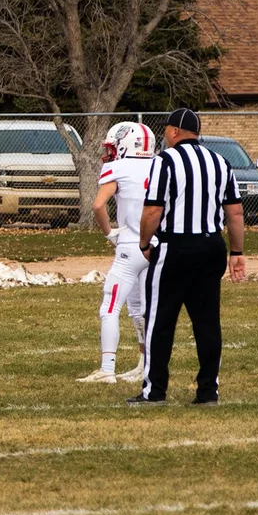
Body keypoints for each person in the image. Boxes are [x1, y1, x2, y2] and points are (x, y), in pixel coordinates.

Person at [131, 107, 246, 407]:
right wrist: (237, 251)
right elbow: (234, 211)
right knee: (207, 322)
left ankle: (154, 391)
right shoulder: (220, 162)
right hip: (211, 247)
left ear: (173, 132)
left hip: (175, 247)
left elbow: (154, 209)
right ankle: (208, 391)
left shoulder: (165, 161)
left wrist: (144, 242)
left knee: (160, 320)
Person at [84, 121, 156, 384]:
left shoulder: (117, 167)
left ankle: (107, 369)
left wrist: (109, 231)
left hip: (130, 245)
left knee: (110, 306)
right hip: (157, 246)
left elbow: (98, 204)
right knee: (142, 309)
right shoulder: (160, 165)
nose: (111, 151)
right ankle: (144, 365)